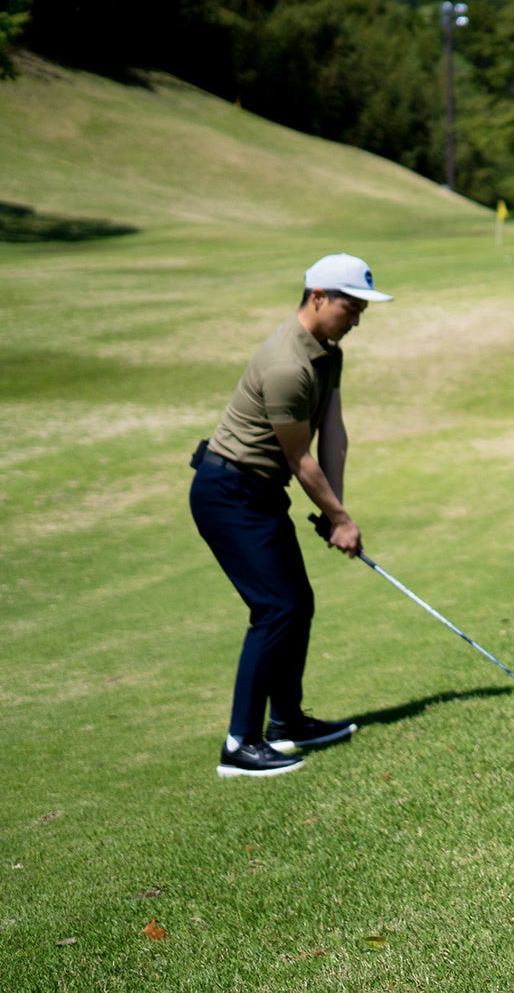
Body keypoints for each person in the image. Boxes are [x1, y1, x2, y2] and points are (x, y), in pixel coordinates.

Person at [189, 253, 393, 777]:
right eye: (351, 307)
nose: (357, 319)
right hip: (228, 491)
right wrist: (340, 520)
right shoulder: (287, 364)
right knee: (275, 608)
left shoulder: (327, 353)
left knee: (295, 604)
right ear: (318, 297)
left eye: (362, 309)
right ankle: (240, 744)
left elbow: (334, 432)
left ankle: (287, 723)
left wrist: (335, 510)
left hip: (258, 492)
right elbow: (299, 458)